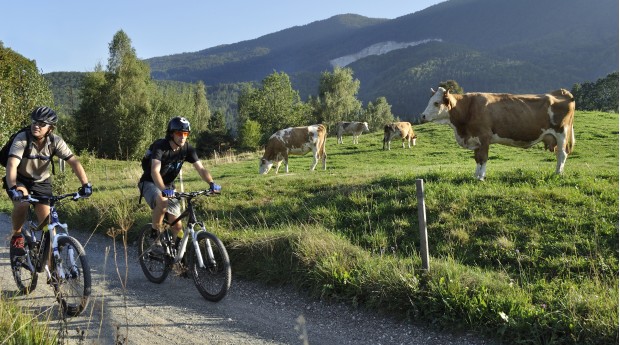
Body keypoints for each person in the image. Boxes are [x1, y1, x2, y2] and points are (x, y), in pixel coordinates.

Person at [3, 106, 92, 262]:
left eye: (42, 123)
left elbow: (74, 162)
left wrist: (86, 185)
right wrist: (13, 189)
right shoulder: (22, 138)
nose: (36, 125)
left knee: (49, 226)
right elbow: (11, 165)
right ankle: (17, 235)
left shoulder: (55, 141)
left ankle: (53, 270)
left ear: (50, 128)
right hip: (20, 179)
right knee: (22, 204)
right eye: (34, 121)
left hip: (41, 182)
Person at [138, 116, 220, 248]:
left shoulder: (187, 149)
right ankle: (154, 234)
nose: (183, 137)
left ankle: (179, 260)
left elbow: (201, 168)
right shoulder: (160, 147)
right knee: (162, 201)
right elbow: (154, 171)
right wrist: (164, 190)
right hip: (149, 183)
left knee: (177, 225)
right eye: (179, 133)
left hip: (169, 186)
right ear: (171, 134)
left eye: (185, 134)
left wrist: (211, 183)